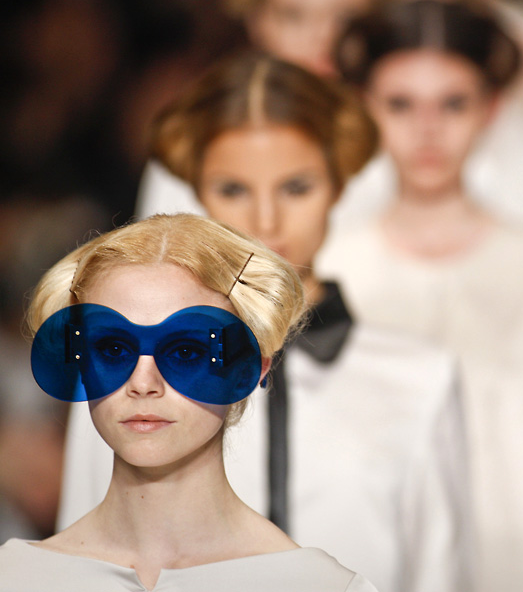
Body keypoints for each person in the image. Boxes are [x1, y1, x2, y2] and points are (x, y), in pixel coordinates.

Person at [58, 52, 470, 592]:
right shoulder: (127, 372)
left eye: (297, 187)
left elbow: (442, 576)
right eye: (233, 189)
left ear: (338, 187)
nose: (266, 220)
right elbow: (79, 563)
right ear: (196, 193)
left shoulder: (418, 381)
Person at [318, 0, 523, 592]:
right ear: (365, 108)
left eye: (453, 104)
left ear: (491, 109)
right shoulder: (329, 272)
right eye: (400, 104)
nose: (427, 129)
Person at [0, 213, 377, 591]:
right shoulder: (15, 576)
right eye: (113, 349)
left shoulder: (321, 586)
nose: (142, 384)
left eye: (185, 352)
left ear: (249, 369)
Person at [135, 0, 523, 246]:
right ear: (255, 19)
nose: (320, 38)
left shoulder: (401, 139)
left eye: (343, 16)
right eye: (293, 14)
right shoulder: (196, 138)